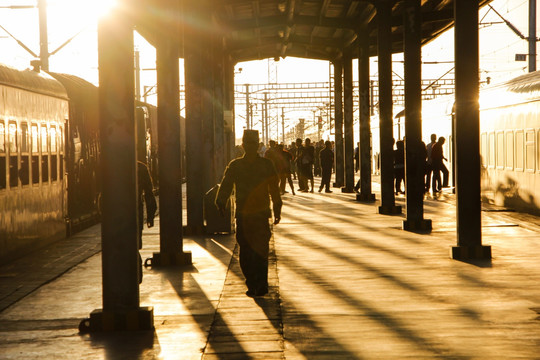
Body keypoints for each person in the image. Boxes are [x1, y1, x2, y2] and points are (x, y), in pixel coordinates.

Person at [215, 130, 283, 297]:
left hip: (245, 215)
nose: (251, 147)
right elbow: (274, 188)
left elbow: (225, 185)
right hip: (258, 215)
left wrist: (220, 202)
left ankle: (254, 283)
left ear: (244, 145)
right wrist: (277, 208)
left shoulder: (236, 165)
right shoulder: (266, 165)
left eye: (252, 143)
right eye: (251, 143)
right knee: (259, 250)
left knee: (246, 251)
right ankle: (259, 283)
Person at [137, 160, 157, 283]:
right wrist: (150, 216)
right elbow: (149, 194)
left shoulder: (112, 166)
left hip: (116, 214)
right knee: (135, 245)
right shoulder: (141, 168)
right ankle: (136, 275)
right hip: (136, 212)